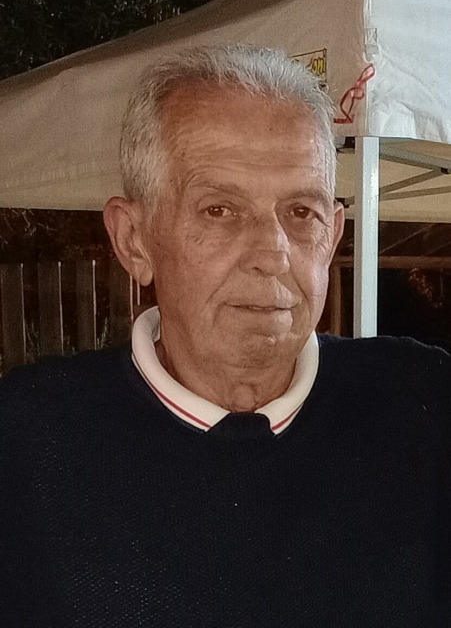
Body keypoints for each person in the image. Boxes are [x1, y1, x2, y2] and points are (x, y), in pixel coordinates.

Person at [0, 44, 450, 627]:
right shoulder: (25, 443)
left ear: (333, 236)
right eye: (220, 210)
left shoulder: (425, 407)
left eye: (301, 212)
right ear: (134, 240)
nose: (273, 254)